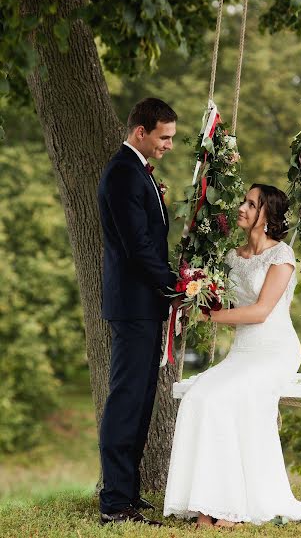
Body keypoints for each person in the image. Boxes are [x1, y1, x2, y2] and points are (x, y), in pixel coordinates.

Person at [164, 184, 301, 527]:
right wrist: (196, 292)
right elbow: (225, 303)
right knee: (198, 397)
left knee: (222, 399)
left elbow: (260, 312)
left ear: (266, 216)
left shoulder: (281, 257)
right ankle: (205, 505)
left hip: (274, 353)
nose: (242, 207)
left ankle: (227, 509)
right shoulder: (230, 258)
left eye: (251, 204)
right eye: (244, 201)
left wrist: (212, 316)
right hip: (242, 353)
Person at [98, 97, 179, 526]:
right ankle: (114, 502)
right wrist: (175, 284)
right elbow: (137, 247)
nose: (169, 145)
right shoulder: (123, 173)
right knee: (127, 398)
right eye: (164, 137)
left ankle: (127, 493)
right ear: (140, 132)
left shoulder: (139, 174)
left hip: (144, 305)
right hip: (132, 305)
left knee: (143, 398)